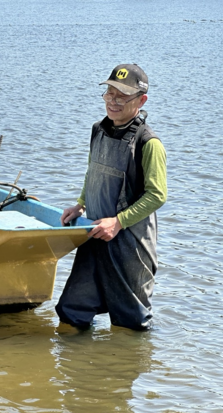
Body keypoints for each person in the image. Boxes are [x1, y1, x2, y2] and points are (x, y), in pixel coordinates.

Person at [56, 64, 167, 331]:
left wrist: (117, 222)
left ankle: (127, 369)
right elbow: (92, 171)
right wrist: (80, 204)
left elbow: (157, 195)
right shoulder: (98, 130)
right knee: (71, 313)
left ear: (141, 100)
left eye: (122, 96)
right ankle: (75, 370)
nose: (113, 101)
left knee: (131, 325)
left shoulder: (148, 143)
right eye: (109, 93)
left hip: (130, 244)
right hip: (94, 234)